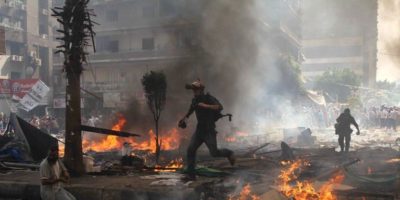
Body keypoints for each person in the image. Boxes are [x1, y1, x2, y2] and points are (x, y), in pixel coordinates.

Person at [179, 80, 235, 180]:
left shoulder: (208, 98)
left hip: (209, 130)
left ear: (201, 90)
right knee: (190, 150)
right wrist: (183, 119)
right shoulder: (195, 100)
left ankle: (229, 153)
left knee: (214, 153)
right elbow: (190, 111)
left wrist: (205, 106)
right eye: (193, 90)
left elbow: (219, 107)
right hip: (200, 130)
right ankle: (191, 176)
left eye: (196, 90)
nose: (194, 92)